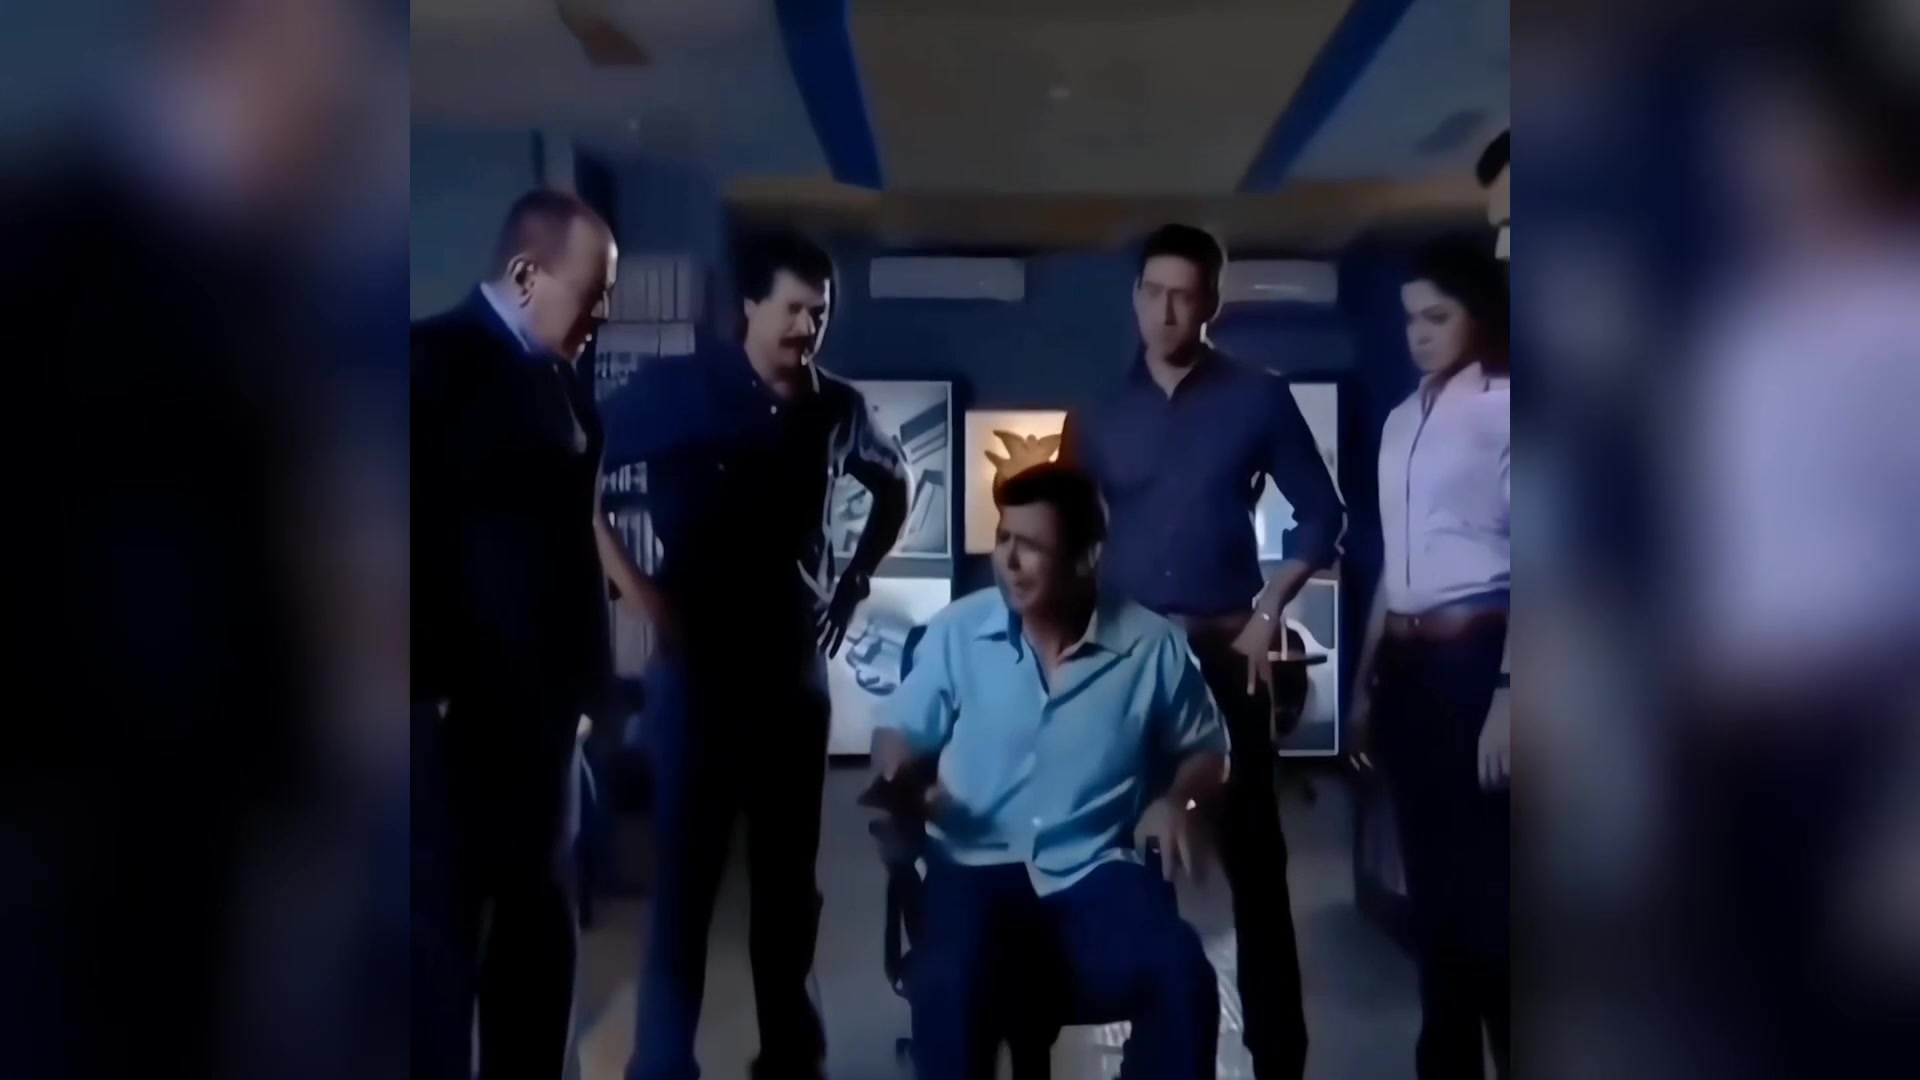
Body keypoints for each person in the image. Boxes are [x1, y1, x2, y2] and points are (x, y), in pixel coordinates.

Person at [610, 232, 910, 1080]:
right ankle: (661, 1064)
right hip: (696, 667)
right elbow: (578, 466)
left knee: (787, 882)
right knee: (687, 878)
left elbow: (893, 485)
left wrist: (852, 583)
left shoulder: (837, 408)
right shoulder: (677, 390)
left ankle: (791, 1056)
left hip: (790, 670)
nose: (809, 327)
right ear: (749, 305)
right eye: (794, 310)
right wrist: (638, 590)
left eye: (821, 312)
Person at [1059, 223, 1343, 1080]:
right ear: (1135, 298)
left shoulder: (1258, 397)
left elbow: (1323, 515)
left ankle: (1278, 1059)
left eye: (1183, 296)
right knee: (1126, 859)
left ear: (1211, 302)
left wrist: (1269, 610)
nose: (1166, 311)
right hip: (1127, 668)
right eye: (1152, 293)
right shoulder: (1098, 416)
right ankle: (1153, 1054)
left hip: (1225, 657)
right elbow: (1064, 541)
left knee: (1257, 865)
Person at [412, 189, 661, 1080]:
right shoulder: (424, 365)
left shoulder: (565, 388)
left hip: (543, 726)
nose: (601, 317)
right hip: (443, 727)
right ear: (525, 275)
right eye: (591, 295)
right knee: (436, 949)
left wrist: (589, 695)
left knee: (537, 940)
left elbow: (569, 548)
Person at [872, 463, 1229, 1080]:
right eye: (1003, 539)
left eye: (1031, 546)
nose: (1009, 562)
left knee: (1182, 974)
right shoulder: (958, 632)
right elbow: (896, 731)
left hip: (1097, 869)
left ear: (1087, 557)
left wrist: (1177, 800)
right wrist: (900, 773)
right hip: (973, 865)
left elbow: (1210, 751)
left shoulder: (1152, 646)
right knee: (949, 983)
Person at [1347, 240, 1511, 1079]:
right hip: (1408, 669)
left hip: (1480, 661)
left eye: (1436, 317)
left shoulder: (1510, 410)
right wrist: (1364, 682)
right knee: (1430, 892)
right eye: (1409, 317)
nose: (1418, 333)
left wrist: (1513, 692)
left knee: (1492, 896)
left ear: (1477, 314)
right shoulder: (1400, 419)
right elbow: (1397, 564)